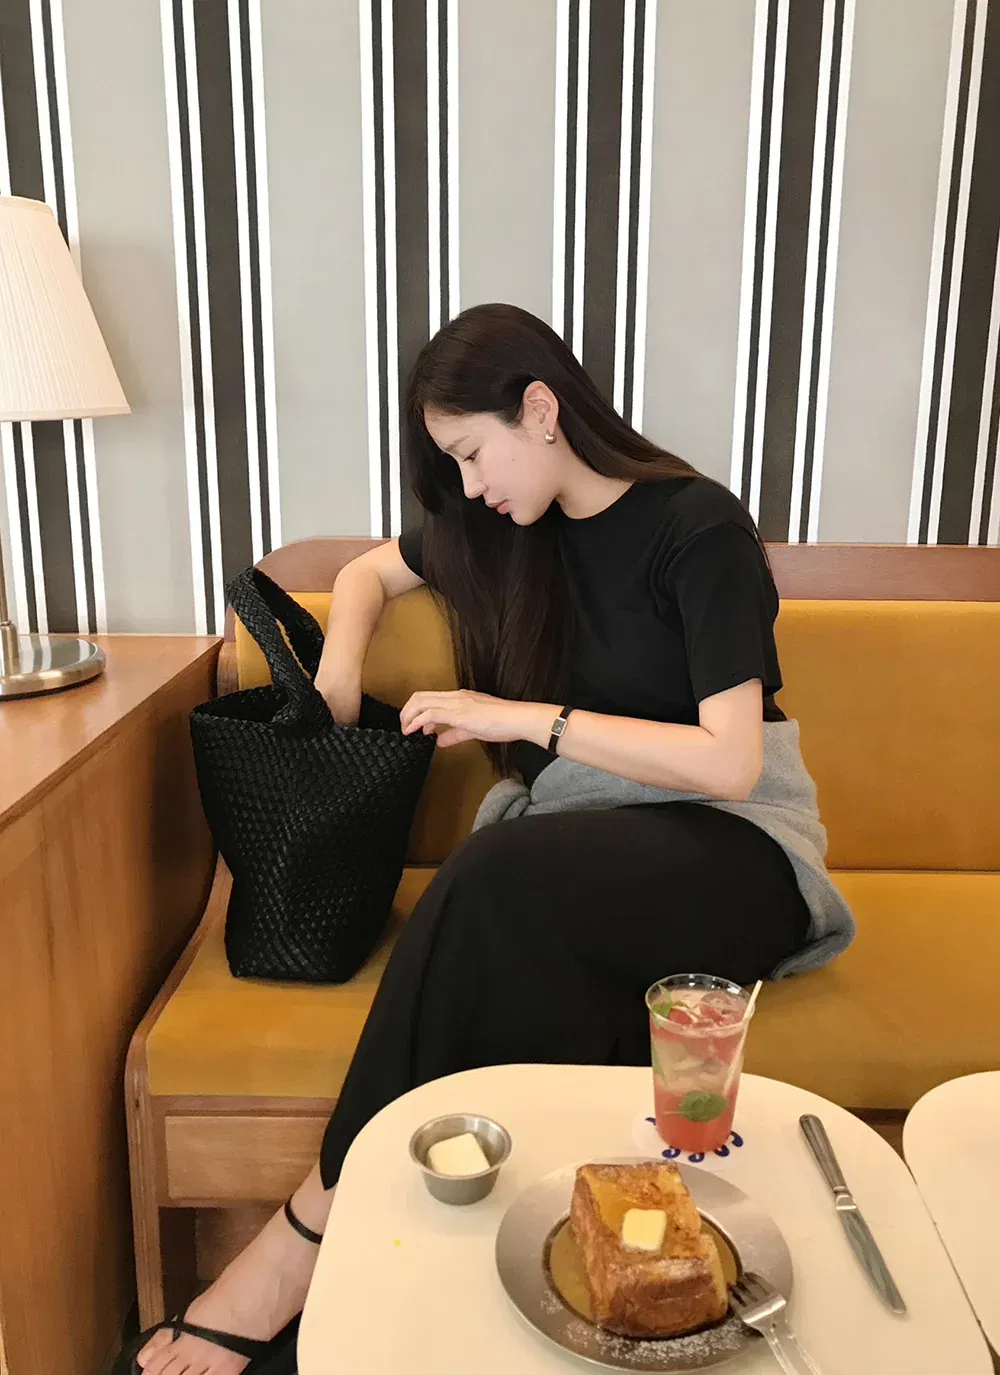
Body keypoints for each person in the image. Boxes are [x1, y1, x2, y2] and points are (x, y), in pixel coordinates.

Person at [128, 303, 849, 1375]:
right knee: (506, 904)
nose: (467, 488)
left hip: (736, 845)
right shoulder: (506, 526)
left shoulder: (698, 528)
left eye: (471, 452)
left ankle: (306, 1236)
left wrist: (519, 718)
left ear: (541, 409)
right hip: (581, 851)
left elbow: (729, 761)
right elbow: (367, 574)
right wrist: (337, 679)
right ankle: (462, 1284)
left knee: (494, 873)